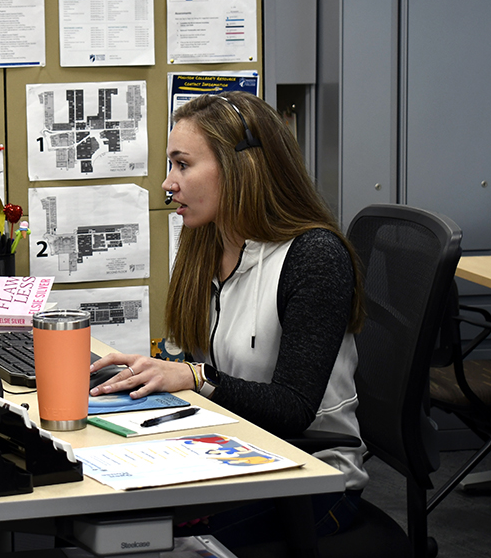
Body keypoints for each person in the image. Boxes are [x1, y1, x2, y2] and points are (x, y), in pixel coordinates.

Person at [89, 91, 368, 546]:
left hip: (311, 477)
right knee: (112, 517)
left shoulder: (313, 256)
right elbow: (192, 361)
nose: (167, 183)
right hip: (229, 454)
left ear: (240, 168)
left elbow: (295, 410)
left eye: (183, 164)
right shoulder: (206, 243)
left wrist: (195, 377)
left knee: (153, 539)